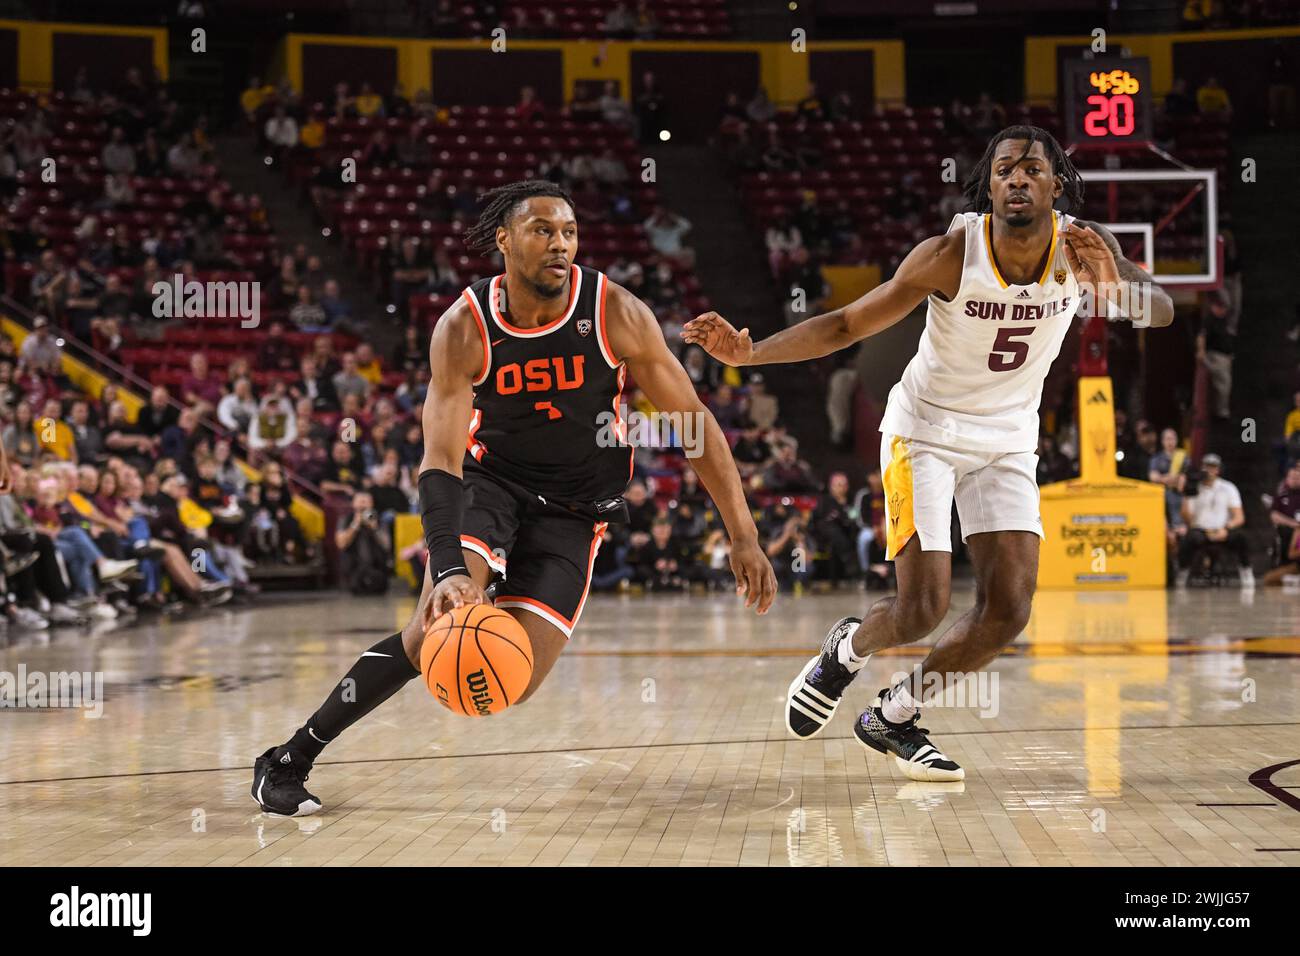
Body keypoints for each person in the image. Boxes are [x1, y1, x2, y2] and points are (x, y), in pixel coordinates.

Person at [252, 180, 775, 815]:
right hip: (490, 485)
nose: (561, 245)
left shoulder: (615, 312)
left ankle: (485, 602)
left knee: (506, 679)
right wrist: (447, 568)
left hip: (579, 512)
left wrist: (743, 536)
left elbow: (696, 426)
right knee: (435, 634)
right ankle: (290, 758)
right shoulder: (463, 328)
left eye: (570, 232)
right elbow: (441, 459)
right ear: (504, 240)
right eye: (543, 231)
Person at [684, 125, 1173, 780]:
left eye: (1032, 169)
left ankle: (895, 715)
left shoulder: (1085, 248)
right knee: (924, 607)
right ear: (989, 184)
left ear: (1057, 183)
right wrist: (753, 352)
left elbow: (1163, 310)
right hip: (925, 433)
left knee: (1009, 610)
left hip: (1008, 440)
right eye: (1004, 170)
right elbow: (846, 324)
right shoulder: (951, 253)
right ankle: (845, 652)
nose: (1018, 179)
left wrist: (1119, 291)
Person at [1176, 453, 1252, 588]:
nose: (1210, 471)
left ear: (1218, 470)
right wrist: (1186, 495)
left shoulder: (1228, 488)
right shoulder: (1194, 487)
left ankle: (1246, 570)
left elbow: (1239, 517)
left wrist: (1226, 528)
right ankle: (1183, 571)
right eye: (1207, 467)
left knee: (1241, 537)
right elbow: (1187, 519)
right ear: (1202, 468)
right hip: (1201, 531)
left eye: (1213, 467)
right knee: (1191, 538)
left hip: (1222, 530)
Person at [335, 490, 391, 595]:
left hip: (376, 571)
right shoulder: (346, 519)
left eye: (366, 501)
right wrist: (354, 525)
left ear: (372, 504)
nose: (363, 504)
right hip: (353, 570)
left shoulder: (378, 520)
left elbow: (387, 545)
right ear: (353, 504)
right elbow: (341, 544)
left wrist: (375, 529)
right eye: (360, 501)